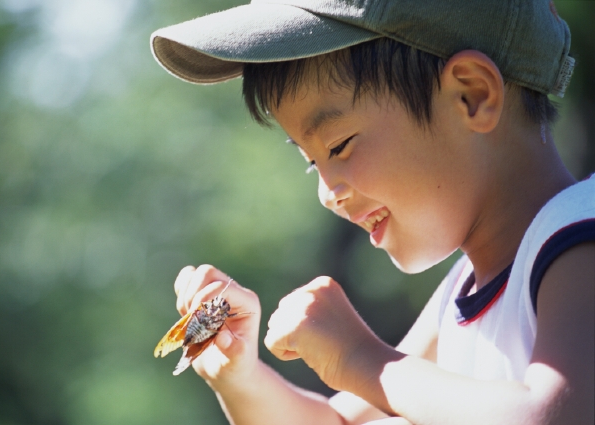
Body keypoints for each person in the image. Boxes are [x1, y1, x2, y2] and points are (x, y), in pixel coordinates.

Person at [150, 1, 594, 424]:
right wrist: (240, 377)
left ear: (472, 95)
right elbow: (337, 422)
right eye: (311, 161)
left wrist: (360, 358)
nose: (327, 193)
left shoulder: (579, 236)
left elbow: (558, 416)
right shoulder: (463, 292)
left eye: (339, 145)